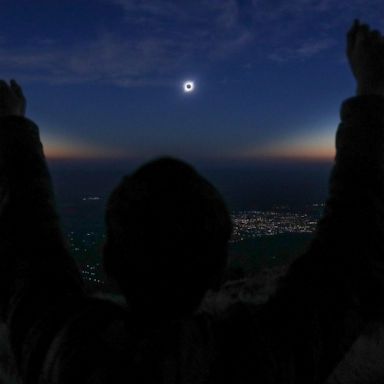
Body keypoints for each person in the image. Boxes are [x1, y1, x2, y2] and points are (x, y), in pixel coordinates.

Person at [0, 19, 383, 383]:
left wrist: (12, 122)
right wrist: (371, 88)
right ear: (219, 269)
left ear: (109, 261)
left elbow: (29, 233)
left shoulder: (68, 354)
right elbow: (351, 240)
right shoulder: (258, 360)